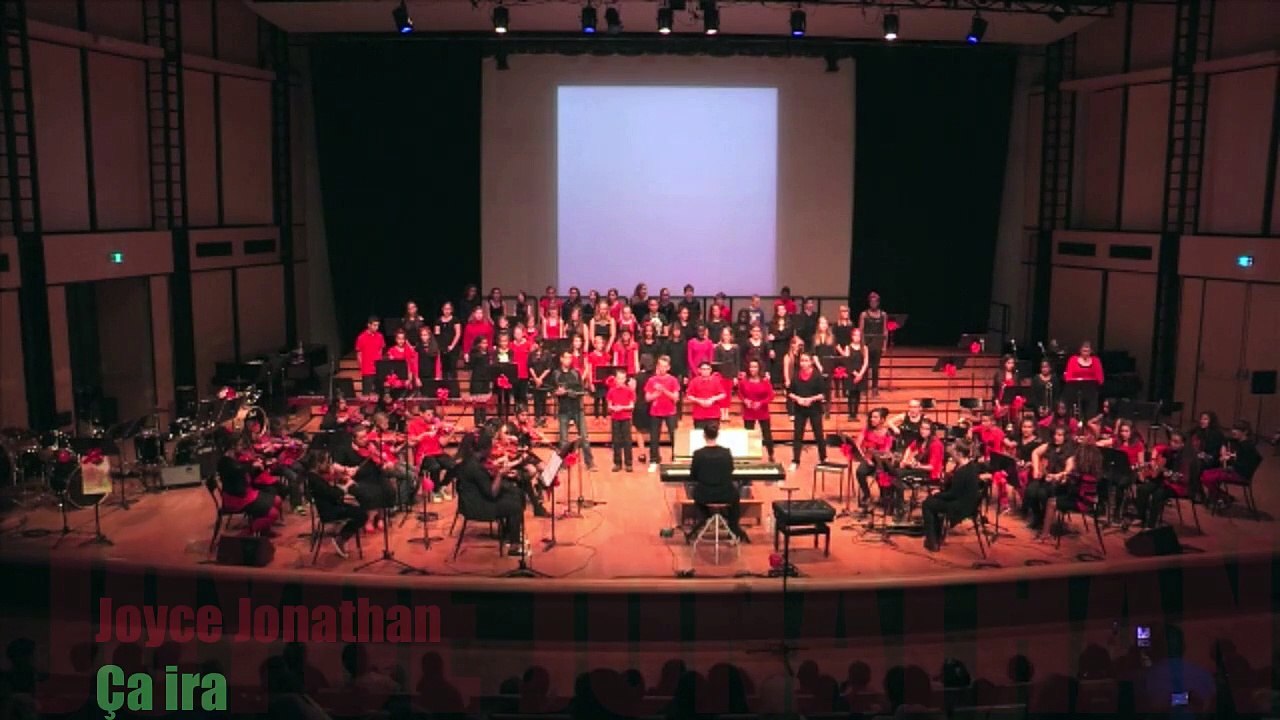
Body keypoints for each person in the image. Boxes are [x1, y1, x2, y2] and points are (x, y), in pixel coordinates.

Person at [454, 432, 525, 556]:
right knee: (515, 506)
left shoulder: (470, 460)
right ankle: (514, 545)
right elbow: (492, 493)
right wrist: (500, 474)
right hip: (478, 507)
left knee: (514, 493)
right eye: (490, 447)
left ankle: (508, 534)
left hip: (472, 500)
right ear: (484, 449)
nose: (491, 451)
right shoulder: (474, 467)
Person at [685, 423, 747, 543]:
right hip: (725, 494)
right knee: (735, 497)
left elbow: (693, 476)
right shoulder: (726, 452)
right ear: (717, 435)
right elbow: (731, 471)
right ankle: (734, 530)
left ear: (704, 435)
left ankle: (706, 519)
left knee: (694, 493)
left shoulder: (698, 454)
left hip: (704, 495)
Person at [215, 430, 282, 537]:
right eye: (240, 445)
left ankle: (264, 531)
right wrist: (252, 466)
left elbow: (243, 469)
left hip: (245, 492)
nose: (242, 447)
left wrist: (255, 464)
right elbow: (238, 471)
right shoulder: (225, 462)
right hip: (236, 498)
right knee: (274, 514)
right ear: (232, 446)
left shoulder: (233, 457)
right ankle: (245, 534)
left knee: (277, 500)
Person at [304, 449, 367, 559]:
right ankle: (341, 539)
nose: (329, 465)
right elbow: (334, 494)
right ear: (318, 463)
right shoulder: (315, 479)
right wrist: (347, 485)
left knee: (358, 510)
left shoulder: (314, 476)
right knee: (361, 515)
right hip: (329, 512)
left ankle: (342, 537)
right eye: (326, 462)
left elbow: (330, 491)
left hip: (332, 506)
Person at [922, 440, 983, 552]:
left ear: (959, 454)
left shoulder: (962, 472)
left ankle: (932, 541)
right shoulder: (971, 466)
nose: (951, 454)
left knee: (927, 504)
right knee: (932, 501)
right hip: (970, 503)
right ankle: (937, 536)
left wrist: (938, 493)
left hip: (962, 506)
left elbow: (953, 495)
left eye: (953, 451)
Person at [1201, 420, 1262, 509]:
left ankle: (1222, 497)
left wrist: (1229, 460)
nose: (1233, 431)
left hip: (1240, 475)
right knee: (1205, 474)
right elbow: (1226, 440)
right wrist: (1229, 454)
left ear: (1245, 432)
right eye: (1233, 429)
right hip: (1235, 471)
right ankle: (1223, 497)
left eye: (1237, 429)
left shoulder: (1246, 446)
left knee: (1207, 478)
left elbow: (1245, 464)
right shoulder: (1242, 442)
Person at [551, 350, 594, 471]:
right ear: (561, 359)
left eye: (570, 358)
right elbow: (552, 390)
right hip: (564, 410)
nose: (568, 360)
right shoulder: (556, 374)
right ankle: (563, 465)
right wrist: (556, 393)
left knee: (584, 438)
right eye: (566, 358)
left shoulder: (576, 373)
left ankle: (590, 463)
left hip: (577, 409)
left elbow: (581, 391)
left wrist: (567, 392)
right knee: (563, 441)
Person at [787, 353, 827, 470]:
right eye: (802, 361)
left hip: (814, 409)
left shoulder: (817, 376)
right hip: (800, 409)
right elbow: (790, 392)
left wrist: (811, 399)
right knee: (797, 435)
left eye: (806, 361)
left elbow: (823, 394)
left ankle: (823, 458)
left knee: (819, 435)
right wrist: (798, 399)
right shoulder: (795, 376)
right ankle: (795, 460)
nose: (803, 363)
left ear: (811, 362)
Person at [645, 355, 681, 470]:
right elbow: (647, 398)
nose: (662, 368)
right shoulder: (652, 380)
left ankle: (676, 458)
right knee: (654, 437)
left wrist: (664, 390)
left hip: (670, 411)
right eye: (660, 366)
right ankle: (654, 460)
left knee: (674, 435)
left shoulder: (673, 380)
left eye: (665, 366)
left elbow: (676, 398)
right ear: (657, 366)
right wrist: (656, 393)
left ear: (668, 367)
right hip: (655, 411)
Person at [739, 358, 776, 463]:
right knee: (748, 434)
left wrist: (761, 403)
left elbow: (771, 396)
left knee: (767, 435)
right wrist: (745, 400)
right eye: (751, 367)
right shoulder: (743, 381)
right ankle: (748, 456)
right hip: (749, 411)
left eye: (755, 367)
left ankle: (771, 454)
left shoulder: (765, 381)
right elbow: (740, 394)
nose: (753, 369)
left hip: (762, 411)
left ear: (759, 368)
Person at [1063, 341, 1105, 420]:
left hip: (1091, 393)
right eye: (1084, 351)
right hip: (1075, 393)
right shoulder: (1073, 360)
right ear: (1080, 350)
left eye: (1088, 351)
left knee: (1090, 414)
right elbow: (1068, 376)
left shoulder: (1096, 361)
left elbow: (1100, 378)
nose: (1086, 353)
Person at [858, 292, 888, 398]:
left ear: (878, 302)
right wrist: (861, 345)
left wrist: (884, 345)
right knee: (865, 367)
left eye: (875, 301)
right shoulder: (864, 314)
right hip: (867, 344)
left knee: (875, 368)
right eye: (871, 301)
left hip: (877, 344)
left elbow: (885, 330)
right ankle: (864, 388)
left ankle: (875, 389)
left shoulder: (883, 314)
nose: (873, 303)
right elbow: (860, 331)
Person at [606, 368, 636, 472]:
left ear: (625, 379)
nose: (620, 380)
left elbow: (631, 405)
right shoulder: (611, 391)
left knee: (627, 441)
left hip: (626, 418)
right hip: (615, 418)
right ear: (615, 379)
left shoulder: (629, 390)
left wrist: (622, 408)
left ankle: (628, 463)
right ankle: (617, 463)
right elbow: (609, 406)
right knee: (616, 441)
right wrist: (614, 408)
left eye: (622, 378)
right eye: (618, 378)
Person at [837, 327, 869, 419]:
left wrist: (860, 374)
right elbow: (847, 362)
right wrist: (855, 373)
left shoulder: (864, 348)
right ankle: (850, 414)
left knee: (857, 394)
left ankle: (855, 414)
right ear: (852, 336)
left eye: (858, 335)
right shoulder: (848, 347)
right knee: (851, 394)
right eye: (855, 335)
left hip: (861, 373)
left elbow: (866, 362)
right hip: (851, 373)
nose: (857, 337)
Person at [686, 361, 727, 431]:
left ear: (711, 370)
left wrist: (713, 399)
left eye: (707, 369)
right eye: (703, 369)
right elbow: (689, 395)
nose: (705, 371)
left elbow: (723, 394)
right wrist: (699, 401)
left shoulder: (716, 381)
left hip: (713, 415)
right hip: (699, 415)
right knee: (699, 437)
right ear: (699, 370)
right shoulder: (694, 381)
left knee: (713, 437)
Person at [355, 316, 385, 396]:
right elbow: (359, 354)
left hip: (378, 369)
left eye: (378, 325)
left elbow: (380, 350)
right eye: (374, 325)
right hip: (367, 370)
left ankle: (379, 408)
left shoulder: (380, 336)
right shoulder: (361, 337)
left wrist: (380, 365)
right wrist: (361, 368)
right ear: (369, 325)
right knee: (366, 394)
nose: (376, 327)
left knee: (379, 393)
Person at [435, 302, 462, 380]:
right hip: (442, 347)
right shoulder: (438, 321)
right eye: (445, 309)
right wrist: (441, 347)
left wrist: (452, 346)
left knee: (452, 368)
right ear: (442, 310)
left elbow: (458, 334)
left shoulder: (455, 320)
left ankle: (453, 387)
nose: (447, 311)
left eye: (448, 309)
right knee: (444, 368)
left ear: (451, 310)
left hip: (453, 347)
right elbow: (437, 335)